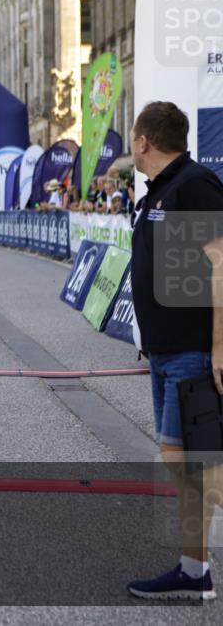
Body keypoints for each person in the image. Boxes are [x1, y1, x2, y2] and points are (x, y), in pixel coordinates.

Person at [126, 101, 223, 601]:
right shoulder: (160, 190)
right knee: (183, 462)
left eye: (133, 137)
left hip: (191, 348)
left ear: (144, 141)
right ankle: (194, 570)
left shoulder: (193, 184)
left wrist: (219, 345)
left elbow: (220, 263)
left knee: (197, 465)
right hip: (165, 350)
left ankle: (194, 571)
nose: (132, 145)